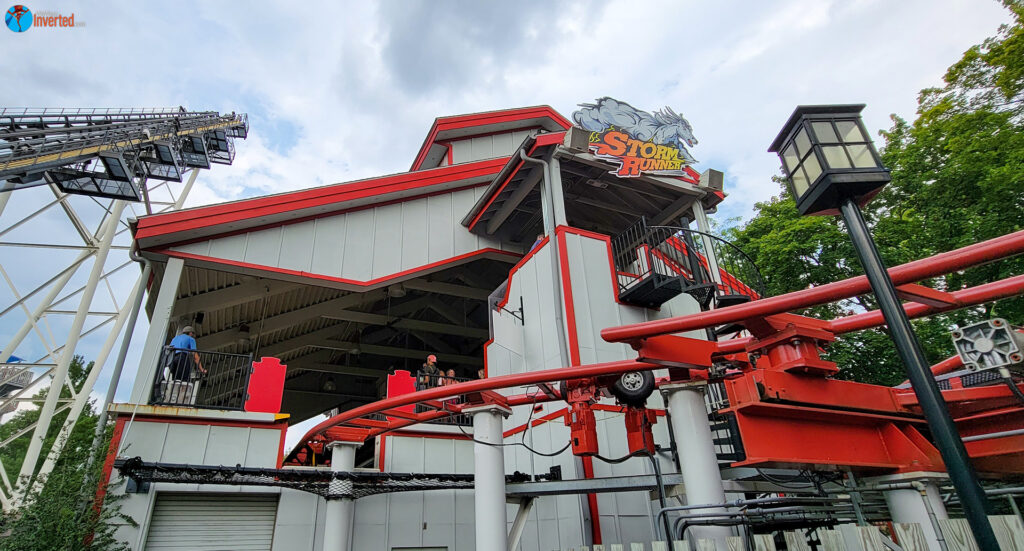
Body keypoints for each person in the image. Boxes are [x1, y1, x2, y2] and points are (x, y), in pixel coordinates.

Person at [164, 326, 206, 403]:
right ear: (190, 333)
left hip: (172, 359)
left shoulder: (174, 339)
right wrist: (201, 369)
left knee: (176, 380)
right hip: (182, 357)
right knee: (185, 380)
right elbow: (195, 355)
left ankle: (173, 398)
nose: (193, 335)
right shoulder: (190, 339)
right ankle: (182, 400)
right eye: (193, 334)